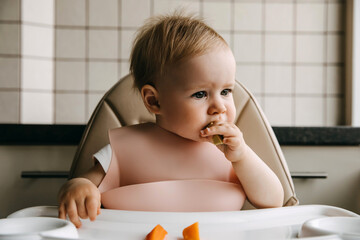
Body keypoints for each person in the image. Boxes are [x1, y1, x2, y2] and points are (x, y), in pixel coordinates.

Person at [58, 13, 284, 228]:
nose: (219, 107)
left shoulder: (230, 151)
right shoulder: (122, 151)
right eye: (200, 94)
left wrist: (242, 156)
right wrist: (79, 187)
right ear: (154, 101)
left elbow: (273, 201)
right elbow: (83, 184)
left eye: (226, 91)